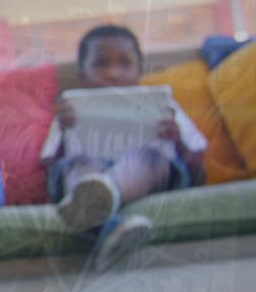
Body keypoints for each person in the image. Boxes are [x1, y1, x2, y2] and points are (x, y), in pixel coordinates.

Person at [39, 25, 207, 271]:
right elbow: (50, 167)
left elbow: (199, 168)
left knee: (145, 157)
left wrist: (178, 140)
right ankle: (113, 228)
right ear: (82, 72)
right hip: (88, 174)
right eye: (101, 64)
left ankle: (102, 195)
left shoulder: (164, 106)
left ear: (139, 69)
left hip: (147, 173)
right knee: (78, 166)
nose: (113, 73)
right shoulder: (69, 111)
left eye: (124, 63)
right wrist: (65, 132)